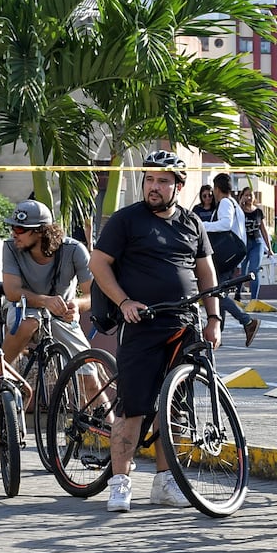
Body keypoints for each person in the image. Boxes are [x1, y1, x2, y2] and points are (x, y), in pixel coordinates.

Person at [89, 150, 222, 513]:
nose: (154, 186)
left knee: (174, 407)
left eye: (163, 180)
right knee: (133, 408)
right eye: (149, 179)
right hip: (140, 325)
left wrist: (214, 319)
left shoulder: (192, 224)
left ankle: (165, 482)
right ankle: (120, 482)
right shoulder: (126, 220)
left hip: (183, 325)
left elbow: (206, 273)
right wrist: (124, 301)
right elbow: (98, 263)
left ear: (178, 186)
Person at [0, 200, 94, 368]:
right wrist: (45, 301)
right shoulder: (10, 247)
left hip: (61, 317)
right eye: (12, 227)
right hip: (22, 307)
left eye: (20, 229)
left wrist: (77, 305)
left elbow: (92, 294)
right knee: (29, 322)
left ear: (41, 232)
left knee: (90, 379)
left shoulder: (74, 250)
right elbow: (12, 292)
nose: (14, 234)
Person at [198, 173, 259, 347]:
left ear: (217, 189)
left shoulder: (225, 202)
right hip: (235, 254)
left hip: (227, 254)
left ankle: (247, 322)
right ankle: (219, 332)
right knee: (218, 289)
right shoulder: (235, 204)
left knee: (215, 292)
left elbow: (225, 224)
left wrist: (203, 225)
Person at [238, 187, 272, 302]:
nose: (249, 197)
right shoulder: (239, 210)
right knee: (242, 271)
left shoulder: (258, 211)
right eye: (246, 195)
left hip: (256, 243)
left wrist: (269, 248)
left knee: (254, 270)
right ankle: (238, 295)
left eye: (251, 195)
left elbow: (264, 230)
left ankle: (254, 299)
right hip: (243, 243)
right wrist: (240, 204)